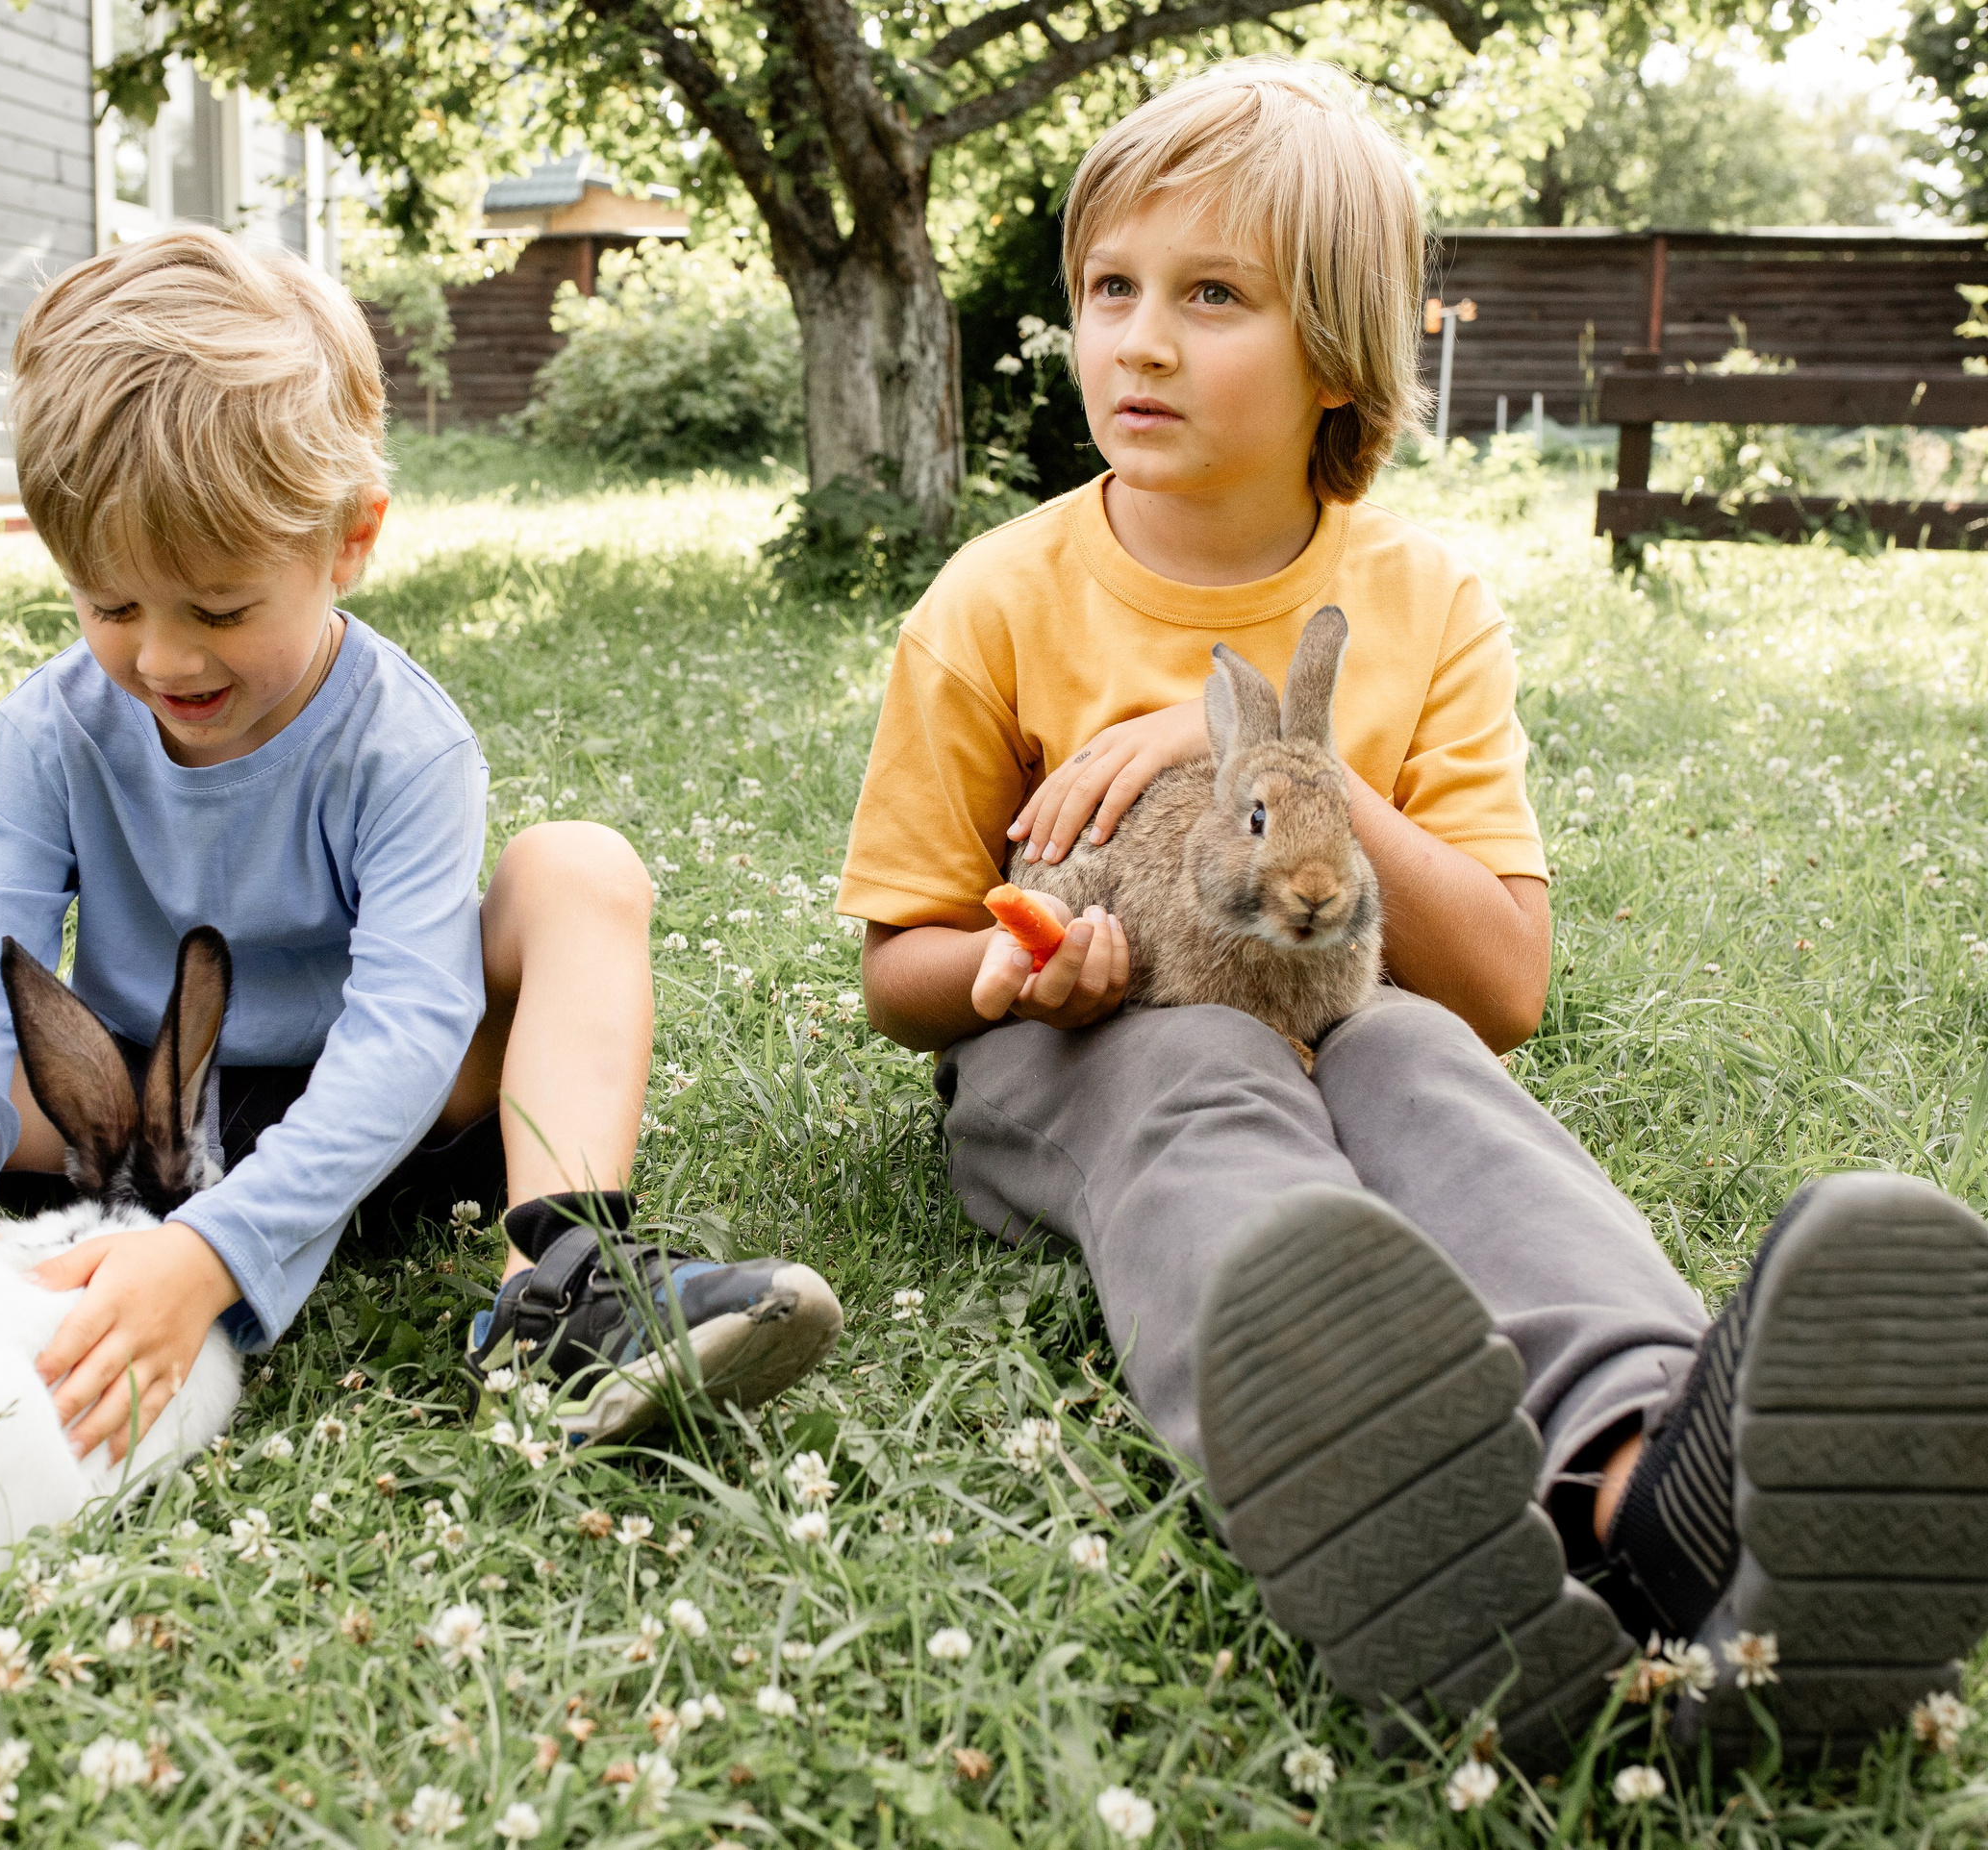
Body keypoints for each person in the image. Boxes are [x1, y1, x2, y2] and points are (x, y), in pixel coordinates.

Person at [841, 58, 1988, 1768]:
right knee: (1200, 1088)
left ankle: (1645, 1485)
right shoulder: (994, 601)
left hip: (1349, 1009)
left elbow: (1505, 977)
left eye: (1211, 295)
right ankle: (1376, 1494)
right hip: (1086, 1057)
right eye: (1110, 289)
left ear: (1339, 357)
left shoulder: (1421, 596)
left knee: (1432, 1077)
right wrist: (1024, 980)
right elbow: (898, 970)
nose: (1139, 341)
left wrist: (1302, 774)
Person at [0, 229, 841, 1495]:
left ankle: (566, 1293)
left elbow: (409, 1026)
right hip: (135, 1122)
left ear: (349, 541)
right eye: (110, 605)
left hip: (385, 1126)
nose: (164, 659)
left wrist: (215, 1255)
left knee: (578, 869)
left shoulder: (401, 742)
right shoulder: (48, 729)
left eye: (218, 608)